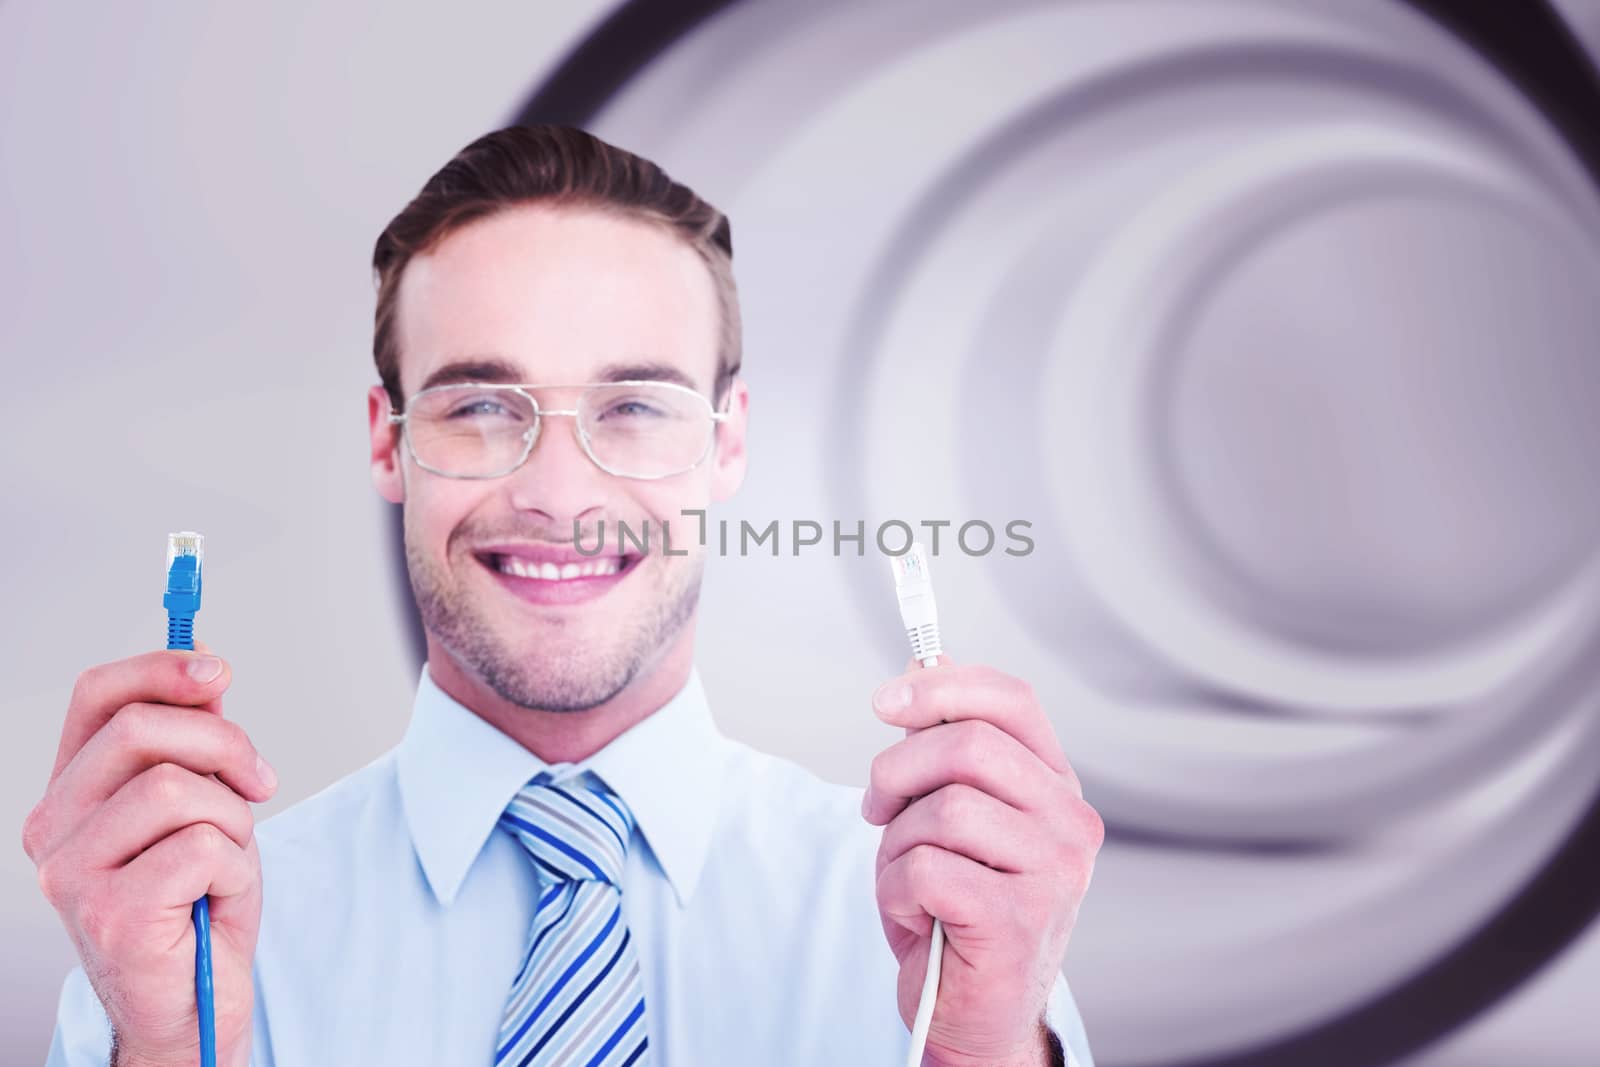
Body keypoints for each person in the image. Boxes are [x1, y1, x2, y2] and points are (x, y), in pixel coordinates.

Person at [27, 125, 1103, 1066]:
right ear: (385, 439)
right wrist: (166, 1054)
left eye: (633, 405)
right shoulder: (178, 942)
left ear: (726, 442)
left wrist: (981, 1051)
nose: (556, 492)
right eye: (482, 406)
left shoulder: (945, 929)